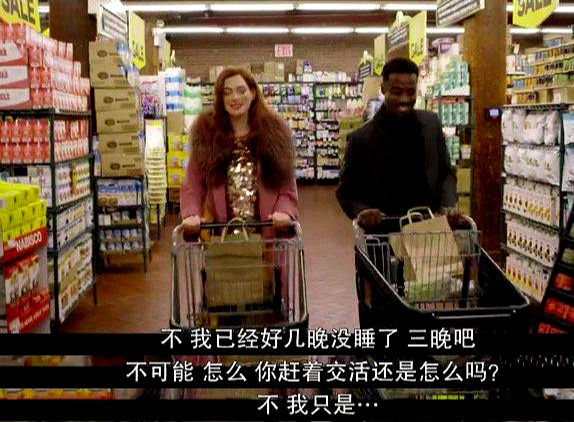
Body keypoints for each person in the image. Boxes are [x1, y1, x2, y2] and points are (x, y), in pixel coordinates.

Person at [336, 57, 460, 231]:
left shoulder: (431, 125)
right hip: (384, 236)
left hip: (430, 235)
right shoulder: (362, 138)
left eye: (410, 92)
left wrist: (448, 204)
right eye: (396, 92)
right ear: (383, 89)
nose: (404, 99)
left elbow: (445, 172)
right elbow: (346, 191)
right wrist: (362, 210)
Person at [180, 67, 299, 234]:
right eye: (227, 92)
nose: (235, 98)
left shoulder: (273, 135)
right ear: (221, 98)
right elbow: (192, 184)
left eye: (241, 91)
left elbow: (287, 186)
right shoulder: (208, 137)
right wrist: (191, 213)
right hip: (222, 238)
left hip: (268, 237)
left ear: (253, 93)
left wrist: (284, 211)